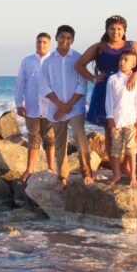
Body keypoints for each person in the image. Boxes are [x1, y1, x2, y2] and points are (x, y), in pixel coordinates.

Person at [75, 15, 137, 172]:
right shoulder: (100, 47)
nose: (116, 32)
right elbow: (79, 65)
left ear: (124, 30)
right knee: (110, 130)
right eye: (112, 29)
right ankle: (116, 169)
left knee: (134, 128)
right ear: (107, 30)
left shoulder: (132, 45)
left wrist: (135, 75)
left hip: (128, 90)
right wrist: (93, 78)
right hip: (105, 90)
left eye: (119, 29)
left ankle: (127, 164)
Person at [39, 24, 93, 193]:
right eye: (62, 37)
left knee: (79, 134)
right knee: (60, 143)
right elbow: (44, 85)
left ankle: (87, 173)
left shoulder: (78, 58)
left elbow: (82, 84)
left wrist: (68, 105)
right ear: (56, 38)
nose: (65, 40)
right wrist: (60, 105)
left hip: (75, 106)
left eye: (69, 38)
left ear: (73, 40)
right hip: (56, 107)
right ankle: (62, 178)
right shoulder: (48, 61)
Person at [15, 32, 56, 182]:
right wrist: (19, 104)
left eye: (45, 42)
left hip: (50, 107)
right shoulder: (27, 61)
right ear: (35, 43)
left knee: (50, 138)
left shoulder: (54, 61)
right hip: (32, 106)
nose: (41, 44)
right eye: (39, 42)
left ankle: (51, 168)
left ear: (49, 44)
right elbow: (20, 83)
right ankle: (29, 169)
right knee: (33, 137)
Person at [105, 50, 137, 188]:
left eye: (126, 60)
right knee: (116, 149)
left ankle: (132, 175)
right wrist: (110, 117)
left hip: (130, 120)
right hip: (116, 120)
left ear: (133, 64)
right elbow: (109, 100)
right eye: (121, 59)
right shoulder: (113, 79)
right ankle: (116, 174)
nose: (122, 62)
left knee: (131, 149)